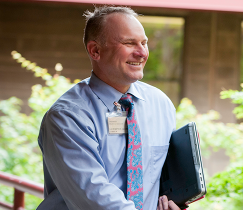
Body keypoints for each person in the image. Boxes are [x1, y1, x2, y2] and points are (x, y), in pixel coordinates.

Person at [37, 6, 181, 210]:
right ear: (95, 50)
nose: (142, 53)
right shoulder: (67, 117)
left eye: (144, 43)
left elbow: (165, 179)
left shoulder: (161, 104)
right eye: (129, 43)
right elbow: (94, 197)